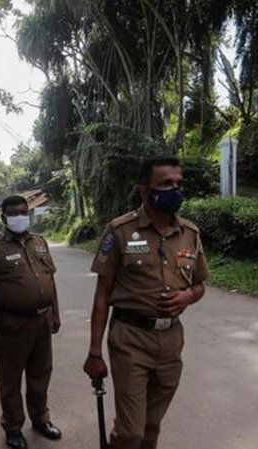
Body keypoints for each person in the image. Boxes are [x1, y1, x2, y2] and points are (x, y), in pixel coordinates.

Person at [83, 157, 210, 449]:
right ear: (144, 190)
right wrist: (94, 352)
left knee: (151, 428)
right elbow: (102, 295)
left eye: (178, 183)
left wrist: (188, 297)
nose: (175, 190)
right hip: (130, 339)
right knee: (130, 433)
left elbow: (200, 285)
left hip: (171, 341)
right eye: (166, 184)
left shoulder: (189, 233)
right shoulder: (120, 231)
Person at [0, 195, 62, 449]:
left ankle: (41, 419)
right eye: (14, 214)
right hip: (10, 324)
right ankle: (12, 428)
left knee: (40, 374)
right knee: (10, 380)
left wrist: (55, 314)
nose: (20, 217)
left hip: (41, 322)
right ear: (4, 217)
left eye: (24, 212)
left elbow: (50, 280)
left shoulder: (40, 242)